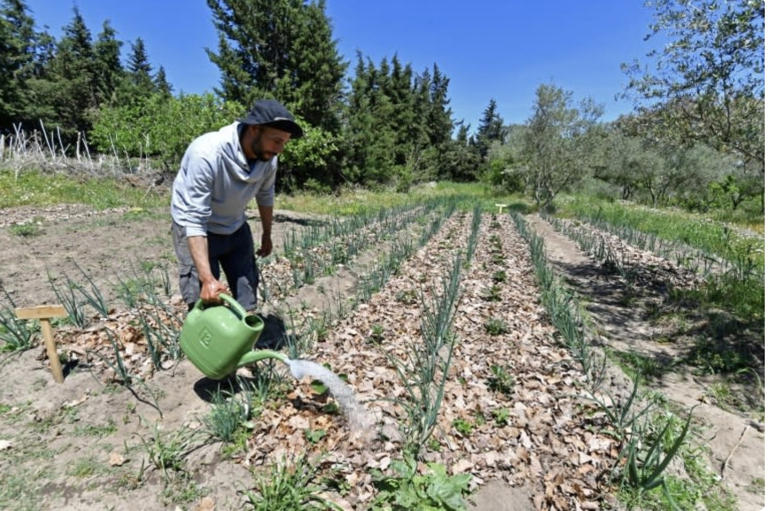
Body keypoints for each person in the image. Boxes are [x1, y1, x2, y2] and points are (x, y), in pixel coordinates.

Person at [170, 99, 303, 311]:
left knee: (247, 290)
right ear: (254, 129)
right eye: (276, 140)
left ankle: (242, 336)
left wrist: (267, 234)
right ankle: (204, 339)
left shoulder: (268, 158)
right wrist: (207, 279)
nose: (280, 149)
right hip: (197, 228)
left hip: (235, 224)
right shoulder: (207, 153)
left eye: (284, 142)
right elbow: (194, 219)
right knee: (205, 298)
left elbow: (265, 194)